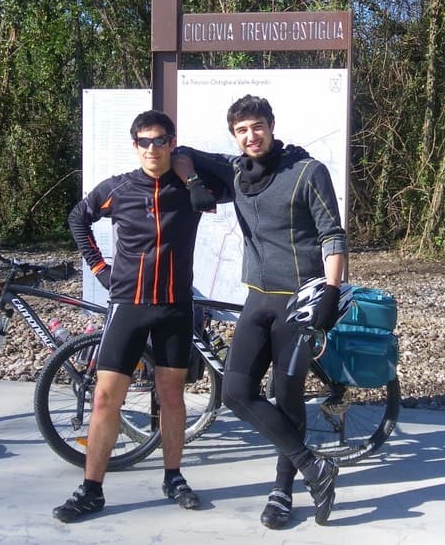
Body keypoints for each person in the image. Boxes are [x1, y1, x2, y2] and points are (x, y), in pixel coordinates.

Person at [172, 94, 349, 528]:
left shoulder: (307, 172)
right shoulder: (236, 171)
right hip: (257, 298)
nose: (251, 136)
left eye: (257, 126)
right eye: (241, 130)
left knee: (288, 399)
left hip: (300, 301)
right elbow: (180, 155)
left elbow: (333, 234)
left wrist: (330, 289)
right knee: (235, 391)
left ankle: (282, 492)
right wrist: (195, 183)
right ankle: (314, 466)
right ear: (235, 135)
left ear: (271, 125)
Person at [54, 110, 226, 523]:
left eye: (161, 140)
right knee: (104, 399)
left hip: (175, 308)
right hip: (128, 305)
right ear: (135, 145)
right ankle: (91, 489)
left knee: (172, 397)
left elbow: (235, 170)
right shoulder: (118, 188)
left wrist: (192, 174)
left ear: (171, 143)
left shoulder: (187, 187)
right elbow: (79, 218)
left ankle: (174, 477)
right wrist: (99, 269)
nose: (153, 148)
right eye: (145, 141)